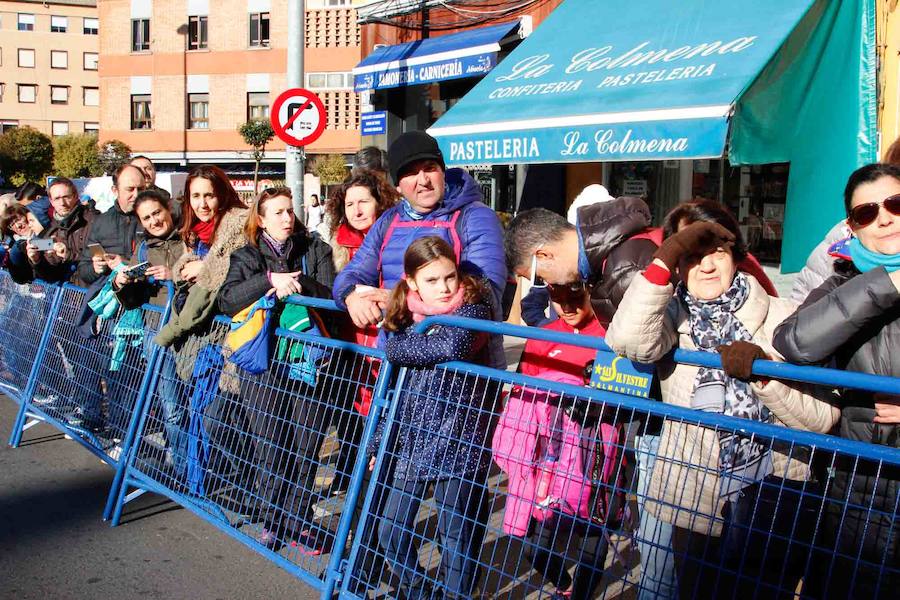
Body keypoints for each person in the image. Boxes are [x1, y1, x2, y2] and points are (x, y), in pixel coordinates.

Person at [605, 211, 839, 598]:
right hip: (697, 504)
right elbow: (628, 341)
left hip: (775, 500)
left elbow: (821, 418)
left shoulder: (784, 317)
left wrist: (765, 378)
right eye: (691, 255)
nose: (706, 265)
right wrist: (666, 255)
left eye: (716, 251)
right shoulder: (669, 319)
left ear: (737, 256)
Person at [773, 162, 900, 599]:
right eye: (867, 213)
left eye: (895, 204)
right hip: (859, 481)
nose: (883, 218)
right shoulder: (843, 279)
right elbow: (793, 340)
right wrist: (889, 284)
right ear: (852, 226)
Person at [369, 236, 494, 600]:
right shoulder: (406, 314)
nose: (444, 288)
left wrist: (396, 347)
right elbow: (392, 389)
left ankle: (457, 595)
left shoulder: (473, 308)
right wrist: (378, 442)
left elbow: (450, 346)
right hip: (411, 440)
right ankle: (422, 590)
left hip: (458, 437)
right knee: (391, 530)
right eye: (432, 280)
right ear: (411, 282)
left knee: (456, 537)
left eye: (449, 277)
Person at [218, 186, 335, 552]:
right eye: (278, 212)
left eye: (290, 211)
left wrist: (298, 284)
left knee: (305, 444)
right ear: (261, 219)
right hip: (263, 363)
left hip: (307, 360)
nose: (287, 218)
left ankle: (300, 520)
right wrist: (268, 281)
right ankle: (272, 519)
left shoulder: (316, 248)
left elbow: (330, 296)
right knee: (270, 443)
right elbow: (228, 298)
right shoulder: (247, 255)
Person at [332, 130, 507, 367]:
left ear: (442, 171)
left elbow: (484, 292)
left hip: (459, 368)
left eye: (430, 168)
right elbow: (352, 273)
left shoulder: (475, 216)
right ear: (398, 185)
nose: (423, 180)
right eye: (411, 173)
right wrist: (351, 296)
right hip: (396, 359)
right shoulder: (389, 220)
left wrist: (399, 300)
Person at [494, 281, 620, 600]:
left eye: (575, 296)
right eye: (556, 297)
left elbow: (629, 396)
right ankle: (565, 587)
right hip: (549, 461)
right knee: (534, 547)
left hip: (594, 456)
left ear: (592, 291)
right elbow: (522, 395)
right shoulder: (544, 335)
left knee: (592, 540)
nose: (566, 305)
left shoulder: (612, 335)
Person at [325, 169, 398, 492]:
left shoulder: (393, 239)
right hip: (347, 344)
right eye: (350, 203)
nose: (355, 210)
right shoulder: (335, 243)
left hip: (381, 341)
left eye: (363, 202)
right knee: (352, 416)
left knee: (380, 414)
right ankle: (355, 482)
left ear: (379, 203)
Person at [154, 165, 248, 349]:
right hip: (197, 327)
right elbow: (183, 273)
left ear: (221, 195)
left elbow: (242, 268)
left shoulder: (239, 225)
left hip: (227, 327)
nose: (202, 204)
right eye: (196, 196)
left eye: (209, 196)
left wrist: (205, 267)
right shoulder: (192, 231)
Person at [76, 164, 147, 286]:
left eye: (140, 189)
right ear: (115, 190)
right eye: (130, 189)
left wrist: (125, 263)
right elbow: (83, 270)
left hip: (148, 297)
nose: (136, 195)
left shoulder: (155, 220)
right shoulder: (101, 222)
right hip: (113, 295)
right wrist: (95, 268)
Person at [26, 177, 98, 285]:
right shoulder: (51, 231)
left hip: (91, 292)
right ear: (51, 201)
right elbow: (51, 276)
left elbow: (100, 259)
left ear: (75, 196)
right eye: (57, 198)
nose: (62, 203)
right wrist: (36, 260)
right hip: (67, 295)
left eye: (66, 197)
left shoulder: (93, 221)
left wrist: (69, 255)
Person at [0, 204, 43, 283]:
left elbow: (50, 244)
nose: (18, 226)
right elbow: (19, 279)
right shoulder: (13, 244)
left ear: (27, 215)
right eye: (12, 225)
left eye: (18, 219)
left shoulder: (42, 229)